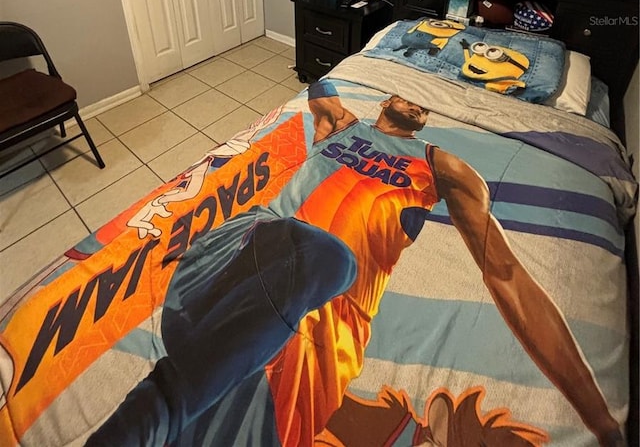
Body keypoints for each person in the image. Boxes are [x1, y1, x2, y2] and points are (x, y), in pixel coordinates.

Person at [87, 80, 623, 447]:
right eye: (406, 91)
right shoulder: (341, 123)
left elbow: (506, 276)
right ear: (385, 95)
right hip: (245, 252)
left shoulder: (443, 167)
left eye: (423, 103)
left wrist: (598, 417)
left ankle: (150, 408)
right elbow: (321, 87)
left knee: (230, 423)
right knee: (321, 252)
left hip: (322, 337)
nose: (417, 101)